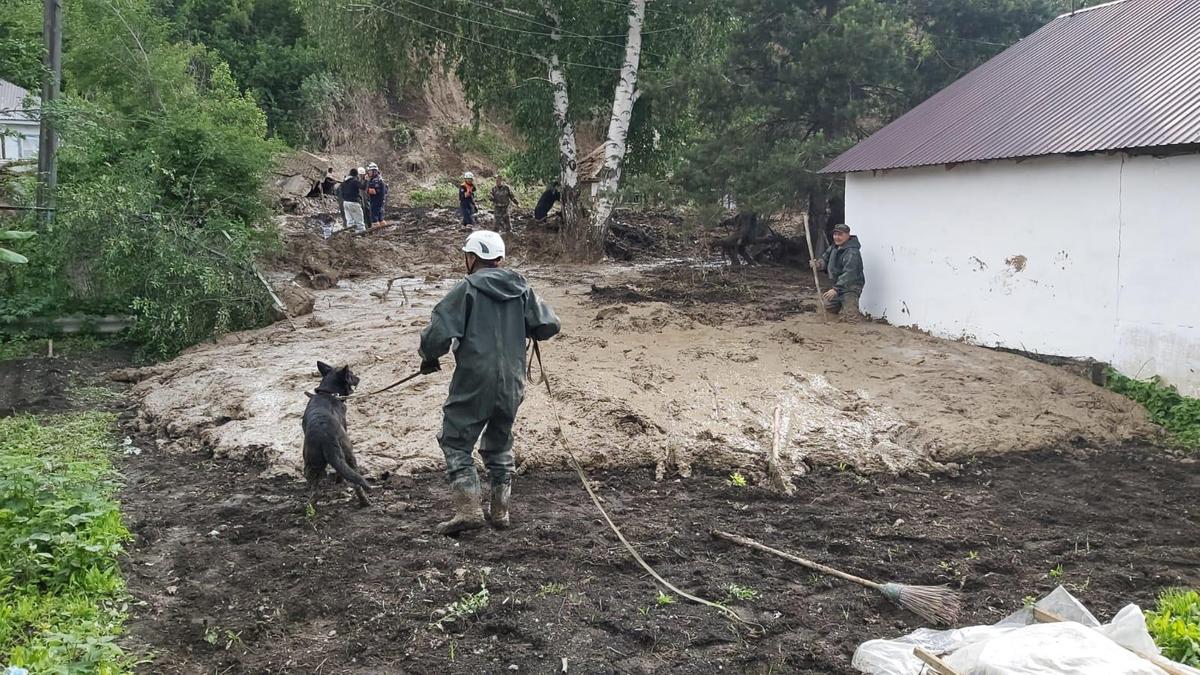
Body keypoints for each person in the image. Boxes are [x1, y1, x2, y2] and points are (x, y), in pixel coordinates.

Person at [419, 230, 561, 534]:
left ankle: (469, 511)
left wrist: (429, 357)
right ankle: (500, 513)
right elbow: (549, 325)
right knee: (499, 442)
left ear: (472, 258)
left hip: (474, 379)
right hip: (512, 380)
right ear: (499, 258)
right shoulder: (522, 288)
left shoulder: (466, 289)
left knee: (455, 441)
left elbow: (437, 334)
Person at [810, 223, 865, 322]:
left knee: (851, 319)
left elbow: (850, 274)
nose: (836, 237)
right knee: (827, 306)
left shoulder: (852, 253)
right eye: (835, 234)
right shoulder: (834, 247)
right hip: (838, 286)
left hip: (850, 287)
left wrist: (836, 289)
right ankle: (841, 309)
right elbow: (825, 259)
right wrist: (818, 264)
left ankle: (849, 311)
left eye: (840, 235)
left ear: (847, 235)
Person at [339, 167, 366, 233]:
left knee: (350, 220)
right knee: (359, 220)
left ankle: (351, 233)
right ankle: (361, 233)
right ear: (356, 175)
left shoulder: (344, 182)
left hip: (345, 203)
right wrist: (366, 180)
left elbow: (340, 192)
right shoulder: (355, 181)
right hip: (354, 202)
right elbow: (363, 187)